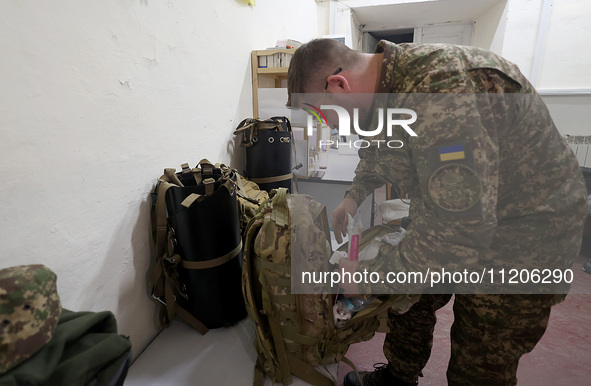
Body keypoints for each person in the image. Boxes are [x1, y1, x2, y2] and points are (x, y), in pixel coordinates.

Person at [286, 38, 588, 385]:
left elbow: (459, 231)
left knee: (479, 360)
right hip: (457, 214)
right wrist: (352, 198)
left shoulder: (440, 89)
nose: (331, 128)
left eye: (322, 116)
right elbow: (379, 153)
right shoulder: (384, 98)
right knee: (409, 300)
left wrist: (364, 275)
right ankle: (399, 377)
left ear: (339, 86)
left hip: (524, 237)